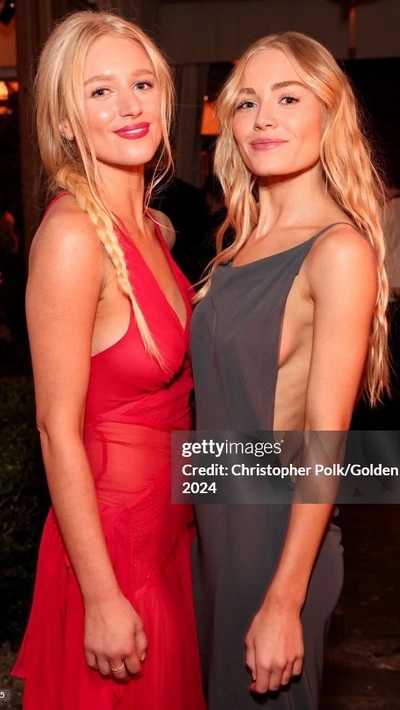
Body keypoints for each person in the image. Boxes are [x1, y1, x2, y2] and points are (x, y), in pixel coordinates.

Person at [11, 11, 205, 710]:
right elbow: (55, 429)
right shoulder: (72, 237)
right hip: (113, 555)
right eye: (100, 91)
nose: (129, 105)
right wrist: (100, 595)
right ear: (66, 121)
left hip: (170, 534)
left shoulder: (152, 228)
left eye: (142, 84)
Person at [190, 31, 389, 709]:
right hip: (216, 531)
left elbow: (327, 443)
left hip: (274, 545)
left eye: (288, 98)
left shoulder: (339, 251)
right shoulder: (236, 247)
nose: (263, 118)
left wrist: (284, 599)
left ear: (329, 114)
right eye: (246, 102)